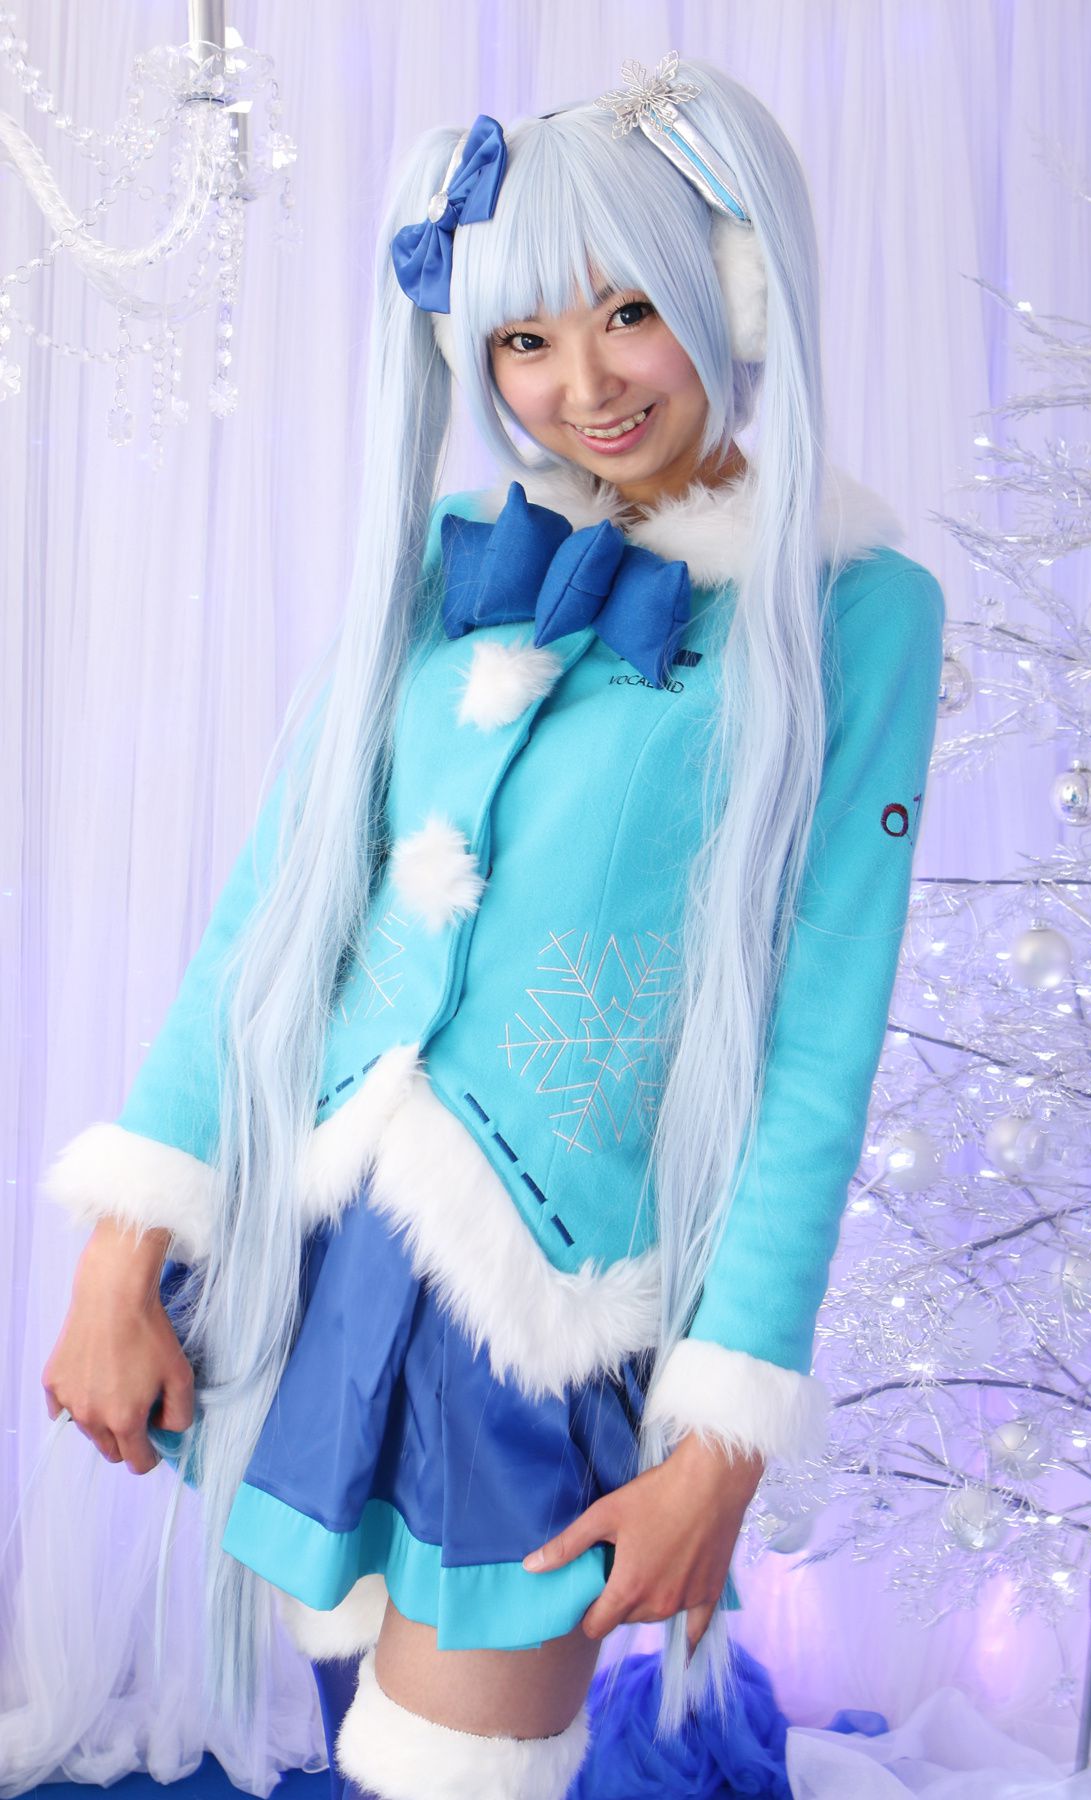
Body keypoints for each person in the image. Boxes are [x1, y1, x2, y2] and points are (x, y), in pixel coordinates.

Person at [38, 50, 946, 1800]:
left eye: (630, 313)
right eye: (525, 338)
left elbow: (820, 1038)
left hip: (550, 1309)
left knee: (457, 1767)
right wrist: (118, 1252)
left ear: (735, 294)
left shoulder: (855, 613)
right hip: (323, 1257)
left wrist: (723, 1435)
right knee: (360, 1744)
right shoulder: (454, 549)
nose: (580, 386)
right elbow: (274, 907)